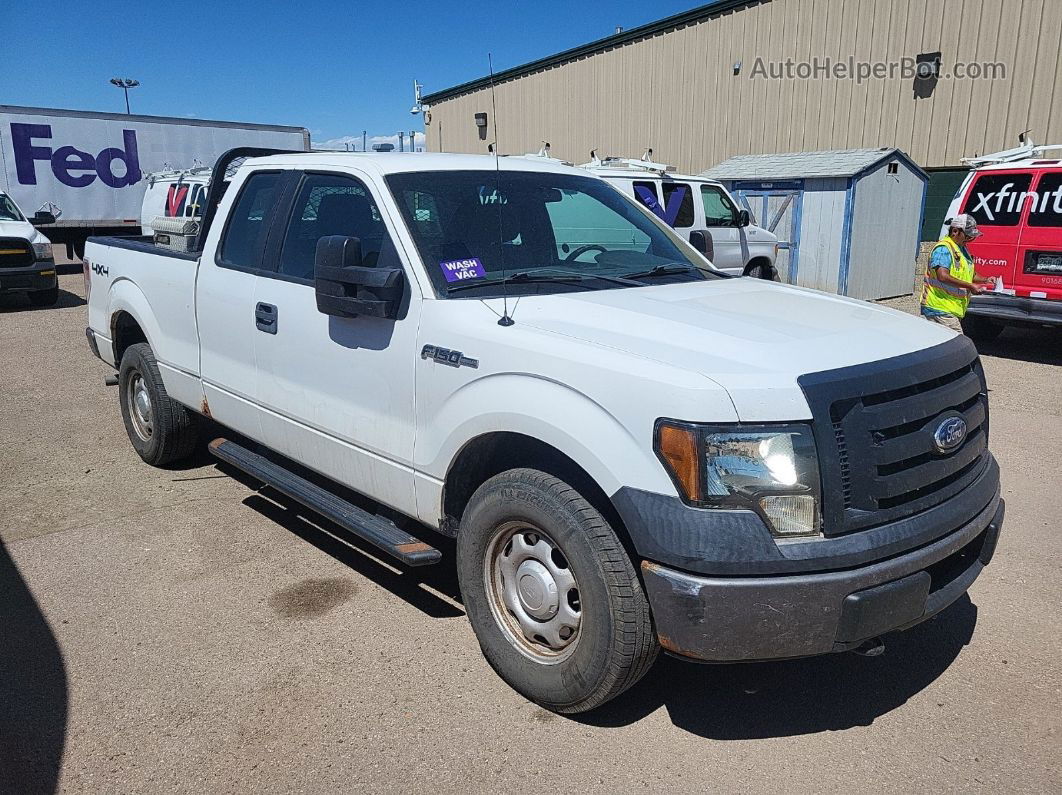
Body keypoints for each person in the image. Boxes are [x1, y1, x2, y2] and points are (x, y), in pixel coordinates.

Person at [920, 214, 996, 332]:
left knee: (944, 346)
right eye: (967, 235)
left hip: (950, 308)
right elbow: (942, 276)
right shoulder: (943, 249)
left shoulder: (961, 248)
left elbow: (968, 274)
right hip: (940, 307)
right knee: (956, 344)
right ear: (955, 231)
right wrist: (970, 286)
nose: (970, 239)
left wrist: (985, 280)